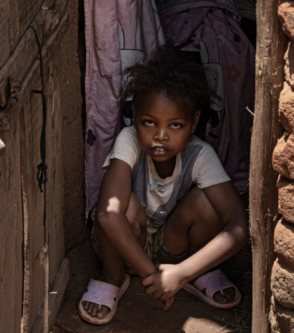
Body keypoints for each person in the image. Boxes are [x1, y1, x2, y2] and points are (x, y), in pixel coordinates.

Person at [79, 43, 249, 325]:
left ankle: (194, 273)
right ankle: (112, 276)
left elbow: (239, 226)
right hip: (125, 244)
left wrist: (181, 273)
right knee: (122, 205)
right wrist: (153, 277)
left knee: (206, 203)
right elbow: (108, 215)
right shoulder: (129, 141)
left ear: (194, 122)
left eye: (175, 125)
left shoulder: (200, 154)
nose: (161, 136)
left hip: (174, 250)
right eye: (149, 122)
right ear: (135, 117)